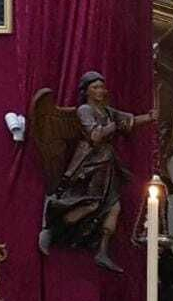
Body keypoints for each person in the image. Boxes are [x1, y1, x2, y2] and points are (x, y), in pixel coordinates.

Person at [37, 72, 156, 270]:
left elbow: (130, 121)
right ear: (87, 91)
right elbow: (94, 136)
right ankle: (53, 229)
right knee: (91, 204)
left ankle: (102, 250)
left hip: (107, 164)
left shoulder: (106, 111)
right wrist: (112, 126)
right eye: (95, 87)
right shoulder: (85, 110)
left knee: (114, 207)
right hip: (90, 164)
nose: (100, 91)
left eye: (102, 87)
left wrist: (149, 117)